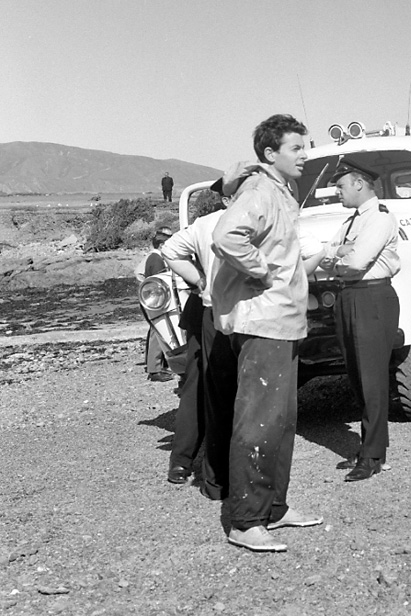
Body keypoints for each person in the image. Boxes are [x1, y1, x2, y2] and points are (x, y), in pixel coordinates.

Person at [210, 114, 322, 553]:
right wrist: (262, 271)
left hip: (283, 323)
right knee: (258, 421)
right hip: (264, 324)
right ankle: (246, 520)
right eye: (297, 147)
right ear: (270, 154)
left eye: (305, 146)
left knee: (280, 420)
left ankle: (274, 507)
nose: (305, 154)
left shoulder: (281, 192)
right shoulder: (259, 191)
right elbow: (226, 235)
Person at [320, 158, 401, 483]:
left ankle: (371, 456)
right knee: (355, 376)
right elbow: (326, 254)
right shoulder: (351, 221)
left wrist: (340, 256)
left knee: (371, 378)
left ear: (359, 183)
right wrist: (340, 254)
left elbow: (356, 262)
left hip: (371, 297)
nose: (337, 192)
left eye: (340, 186)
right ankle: (373, 448)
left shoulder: (380, 218)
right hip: (348, 297)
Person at [160, 179, 230, 487]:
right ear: (226, 200)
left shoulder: (260, 220)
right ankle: (186, 460)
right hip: (209, 312)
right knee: (198, 386)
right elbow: (170, 249)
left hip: (235, 313)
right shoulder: (208, 224)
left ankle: (213, 462)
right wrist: (201, 279)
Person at [135, 226, 176, 382]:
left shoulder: (152, 258)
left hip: (151, 300)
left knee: (155, 331)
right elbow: (160, 281)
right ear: (161, 245)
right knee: (158, 332)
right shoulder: (156, 259)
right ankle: (155, 369)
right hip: (156, 302)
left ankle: (155, 366)